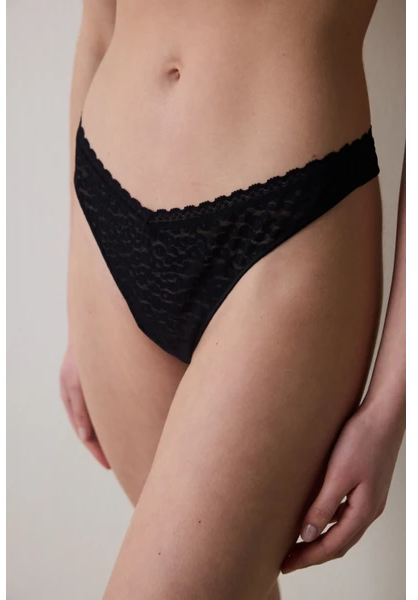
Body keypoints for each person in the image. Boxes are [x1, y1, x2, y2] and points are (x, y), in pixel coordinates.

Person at [59, 1, 406, 598]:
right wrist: (78, 301)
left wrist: (390, 408)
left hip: (288, 228)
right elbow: (98, 29)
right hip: (103, 217)